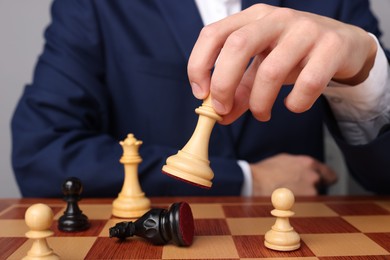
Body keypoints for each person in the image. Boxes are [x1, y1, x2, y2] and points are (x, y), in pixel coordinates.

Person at [11, 0, 390, 198]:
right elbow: (42, 153)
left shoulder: (335, 4)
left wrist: (367, 74)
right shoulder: (95, 5)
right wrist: (246, 179)